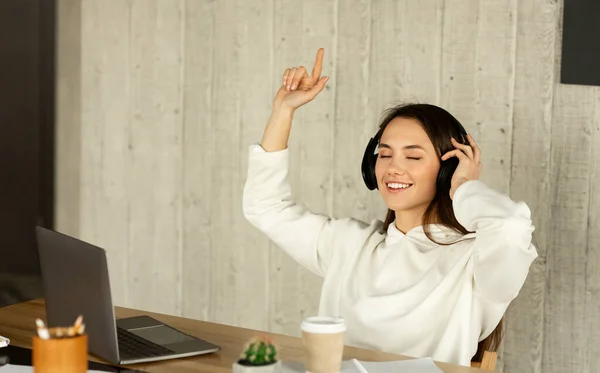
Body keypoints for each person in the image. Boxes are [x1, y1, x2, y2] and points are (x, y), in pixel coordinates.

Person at [242, 48, 537, 366]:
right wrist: (282, 111)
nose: (393, 168)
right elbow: (265, 206)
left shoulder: (476, 260)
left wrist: (463, 188)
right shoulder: (349, 245)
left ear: (447, 169)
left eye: (413, 156)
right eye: (384, 154)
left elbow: (511, 226)